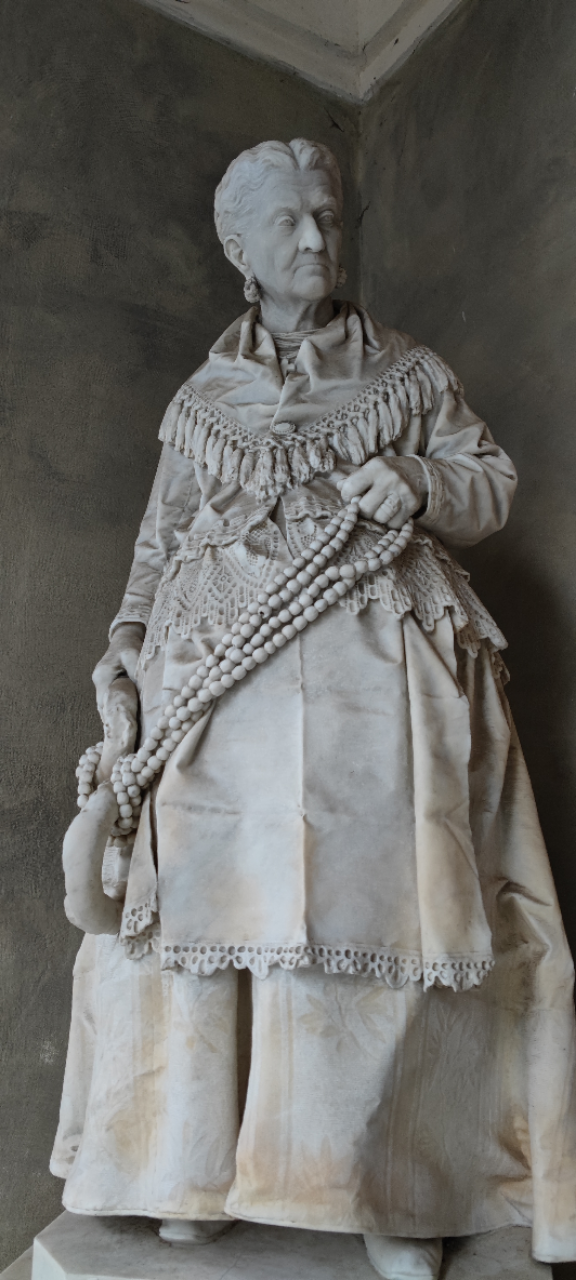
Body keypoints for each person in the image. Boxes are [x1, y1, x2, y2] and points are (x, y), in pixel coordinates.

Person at [51, 139, 576, 1280]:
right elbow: (157, 545)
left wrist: (422, 482)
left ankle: (383, 1183)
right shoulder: (202, 400)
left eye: (328, 218)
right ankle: (189, 1168)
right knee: (202, 900)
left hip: (374, 665)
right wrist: (127, 649)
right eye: (290, 221)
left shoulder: (410, 373)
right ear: (240, 247)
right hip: (216, 671)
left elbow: (488, 480)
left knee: (384, 901)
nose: (315, 239)